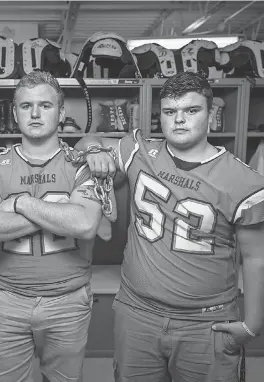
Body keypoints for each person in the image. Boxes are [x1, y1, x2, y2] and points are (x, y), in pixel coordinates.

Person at [76, 71, 264, 382]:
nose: (179, 120)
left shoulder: (245, 181)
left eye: (191, 111)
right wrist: (95, 152)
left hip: (206, 322)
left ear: (210, 112)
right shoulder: (138, 151)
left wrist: (253, 324)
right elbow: (85, 140)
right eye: (169, 112)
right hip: (137, 313)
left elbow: (257, 258)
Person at [0, 70, 103, 382]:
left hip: (69, 298)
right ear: (15, 113)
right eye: (26, 106)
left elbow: (84, 224)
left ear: (61, 112)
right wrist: (58, 213)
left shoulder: (82, 163)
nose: (36, 113)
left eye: (46, 105)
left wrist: (20, 202)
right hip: (7, 299)